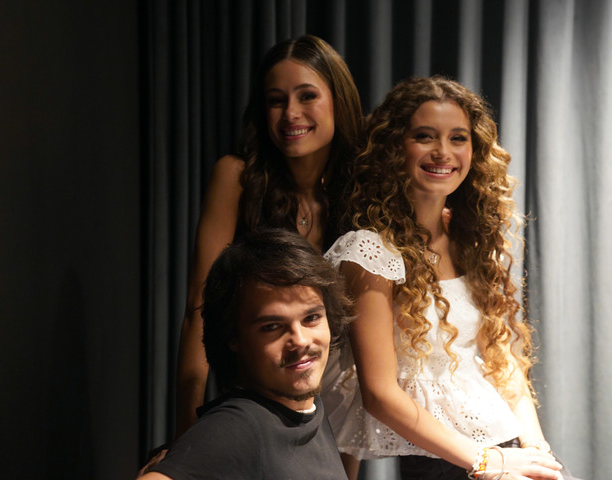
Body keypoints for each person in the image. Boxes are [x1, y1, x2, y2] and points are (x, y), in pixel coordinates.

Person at [322, 76, 575, 479]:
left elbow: (503, 363)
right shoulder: (369, 250)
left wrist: (537, 451)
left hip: (501, 446)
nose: (443, 151)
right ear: (393, 148)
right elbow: (379, 394)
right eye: (425, 136)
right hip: (440, 454)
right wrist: (486, 460)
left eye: (458, 138)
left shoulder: (473, 240)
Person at [175, 34, 363, 438]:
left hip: (341, 404)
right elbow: (199, 308)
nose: (290, 113)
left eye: (307, 95)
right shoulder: (237, 178)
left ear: (339, 101)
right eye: (276, 100)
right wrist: (185, 427)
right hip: (256, 397)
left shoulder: (366, 191)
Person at [139, 229, 352, 480]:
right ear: (234, 337)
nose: (301, 341)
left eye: (311, 318)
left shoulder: (308, 408)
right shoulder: (239, 427)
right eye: (272, 327)